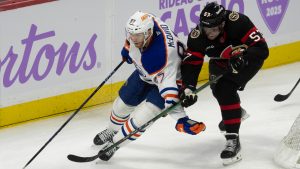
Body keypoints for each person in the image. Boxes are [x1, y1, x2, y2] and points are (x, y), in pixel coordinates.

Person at [93, 11, 206, 161]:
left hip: (171, 78)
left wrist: (181, 118)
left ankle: (114, 144)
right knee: (121, 105)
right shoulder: (145, 24)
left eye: (137, 36)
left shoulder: (158, 55)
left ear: (148, 33)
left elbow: (169, 92)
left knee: (142, 119)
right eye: (131, 34)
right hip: (146, 73)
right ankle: (112, 130)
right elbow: (133, 34)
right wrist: (127, 48)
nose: (133, 38)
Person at [179, 2, 269, 166]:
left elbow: (262, 49)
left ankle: (232, 140)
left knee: (225, 89)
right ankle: (235, 114)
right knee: (218, 90)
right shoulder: (197, 36)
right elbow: (192, 65)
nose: (210, 33)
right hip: (221, 61)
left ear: (223, 23)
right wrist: (188, 88)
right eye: (207, 29)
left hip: (247, 60)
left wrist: (244, 57)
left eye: (214, 29)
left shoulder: (238, 22)